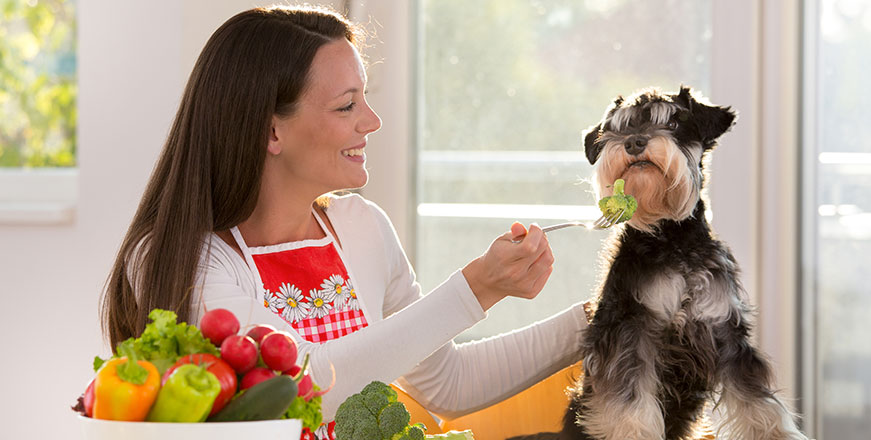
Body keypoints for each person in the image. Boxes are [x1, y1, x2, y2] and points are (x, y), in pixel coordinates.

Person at [101, 5, 588, 438]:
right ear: (272, 130)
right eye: (346, 105)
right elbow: (308, 385)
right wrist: (477, 286)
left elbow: (449, 382)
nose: (372, 120)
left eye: (365, 98)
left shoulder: (362, 226)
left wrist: (604, 317)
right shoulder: (192, 260)